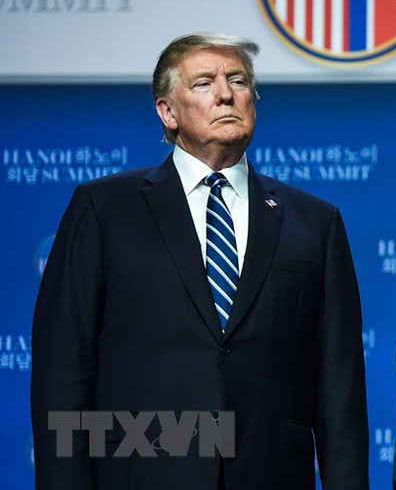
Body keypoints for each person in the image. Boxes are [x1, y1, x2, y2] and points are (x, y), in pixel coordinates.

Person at [31, 32, 369, 490]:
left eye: (238, 80)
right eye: (204, 83)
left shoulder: (315, 221)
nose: (226, 93)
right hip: (143, 471)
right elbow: (64, 367)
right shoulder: (104, 209)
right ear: (167, 112)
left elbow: (340, 386)